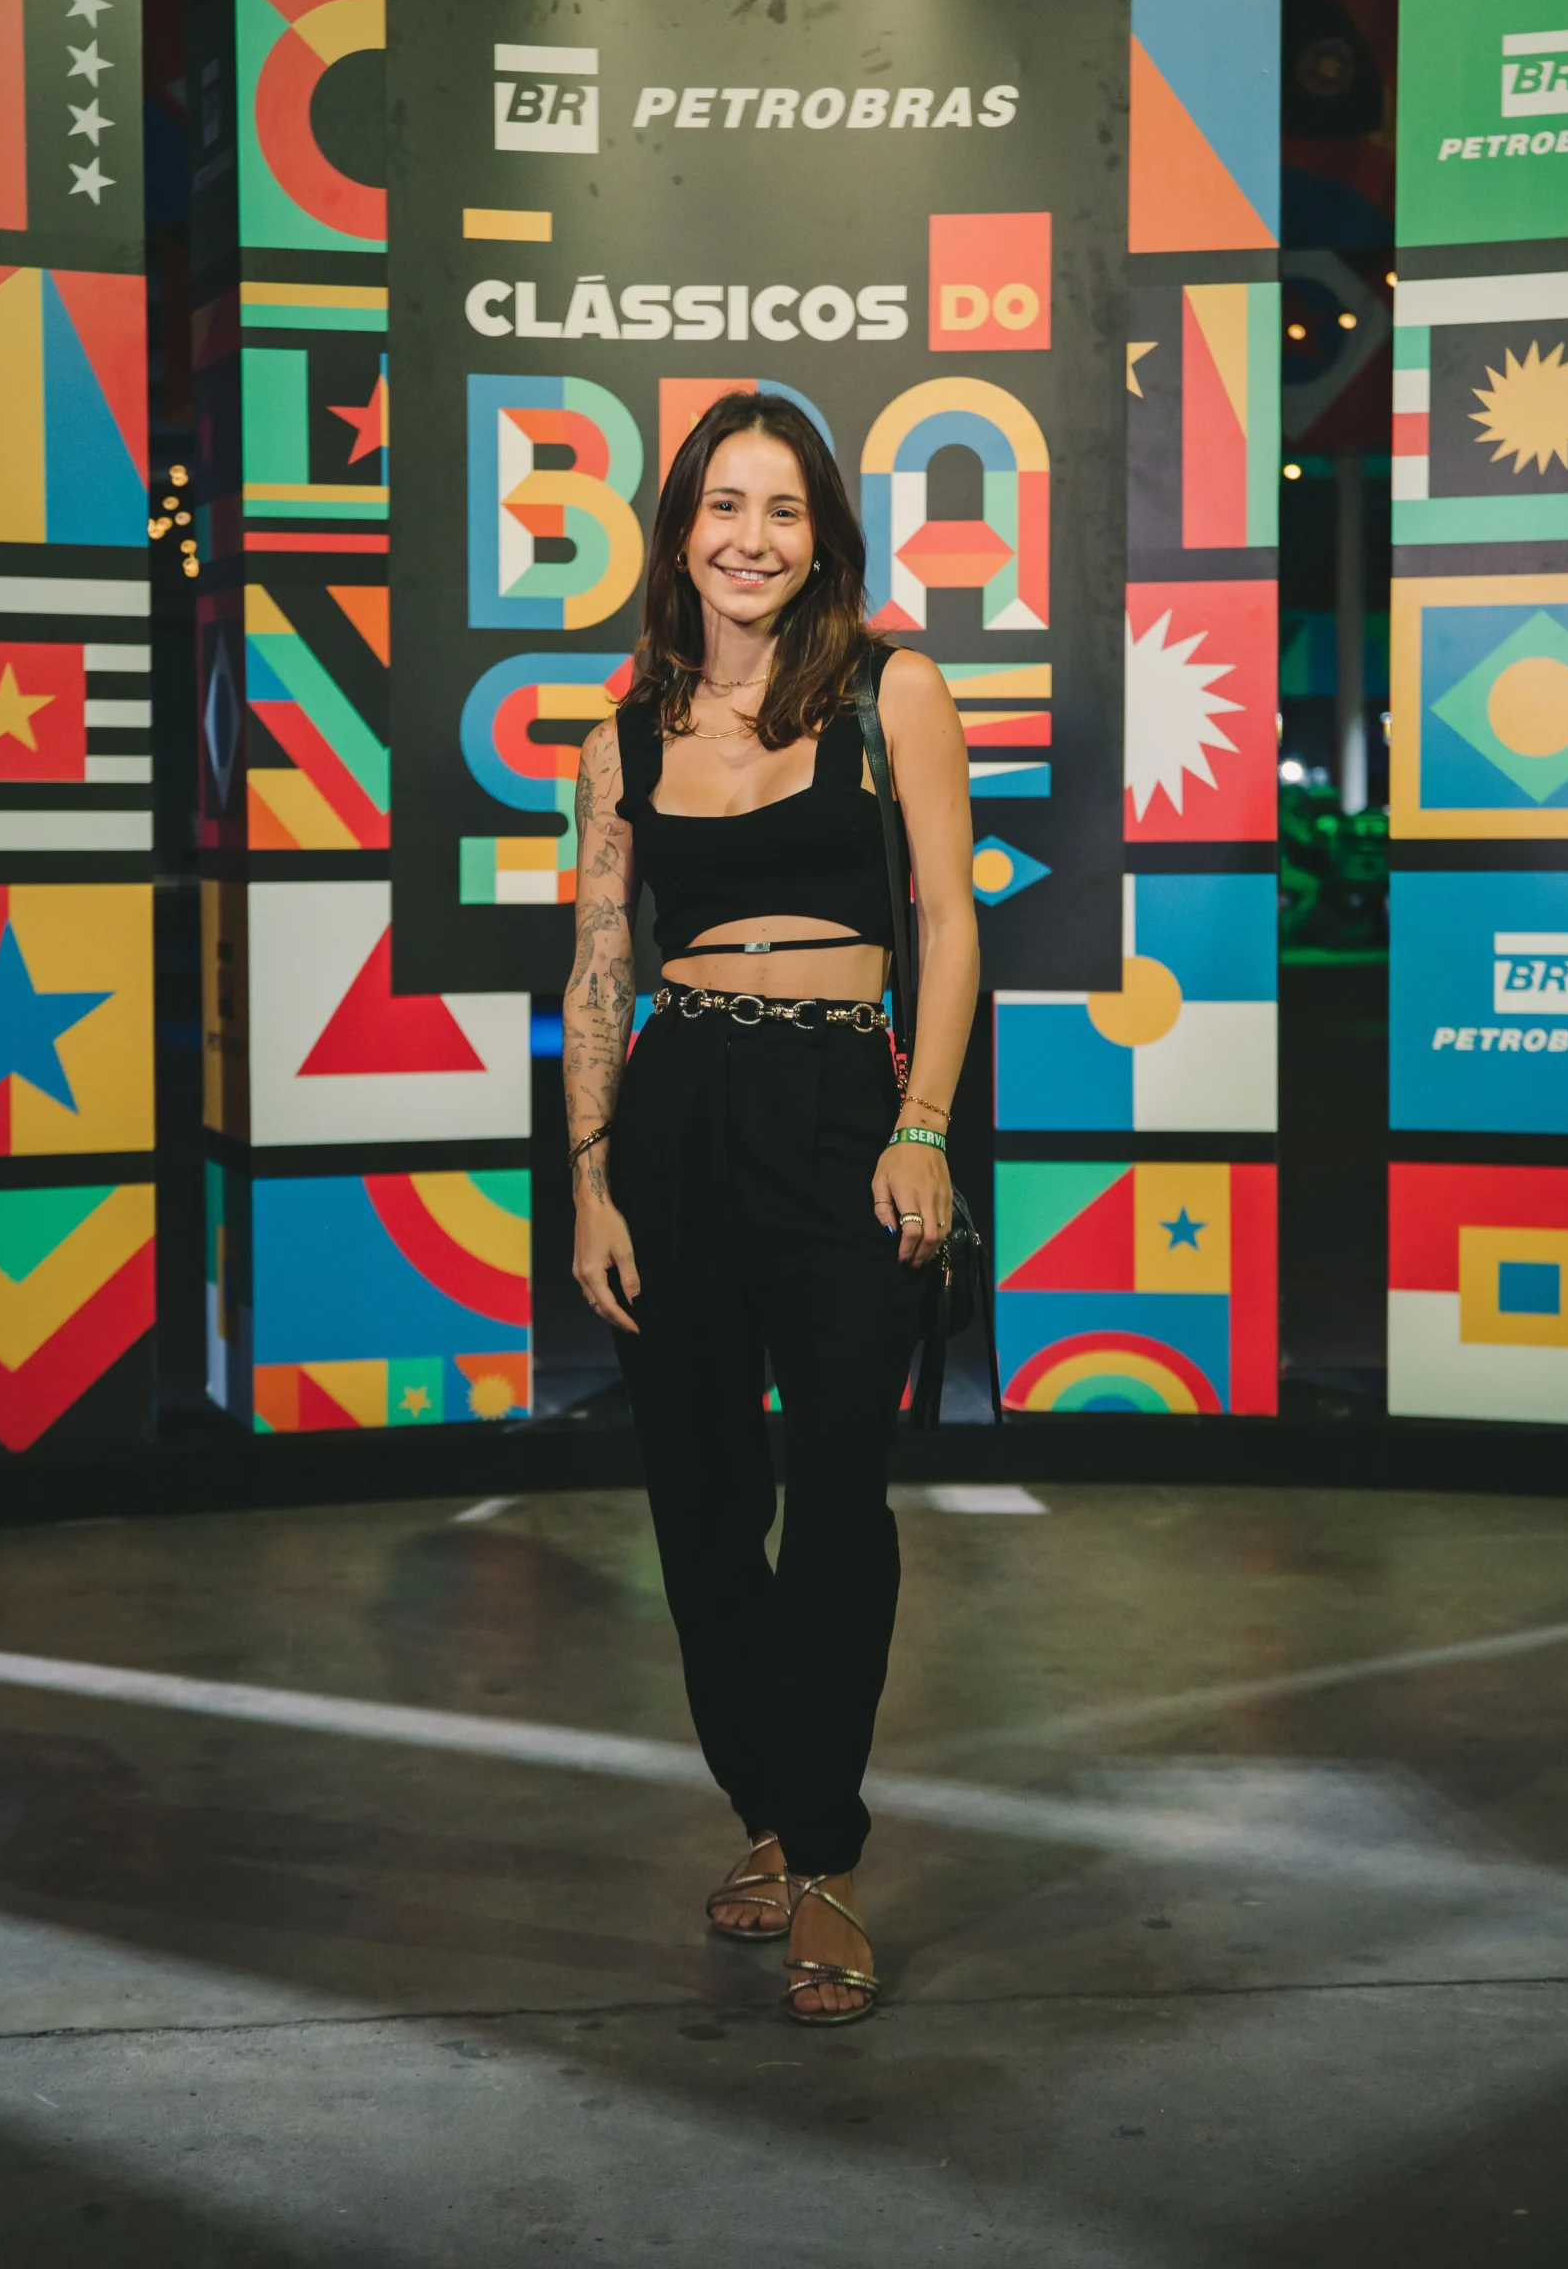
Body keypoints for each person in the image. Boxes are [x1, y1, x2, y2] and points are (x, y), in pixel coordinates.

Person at [562, 391, 978, 2025]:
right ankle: (764, 1809)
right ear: (678, 534)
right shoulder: (619, 735)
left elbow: (948, 923)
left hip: (841, 1117)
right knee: (700, 1498)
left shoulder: (890, 691)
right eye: (722, 507)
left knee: (839, 1496)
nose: (750, 538)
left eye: (783, 508)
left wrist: (922, 1124)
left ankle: (823, 1855)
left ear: (822, 538)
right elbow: (600, 967)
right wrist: (591, 1180)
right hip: (676, 1110)